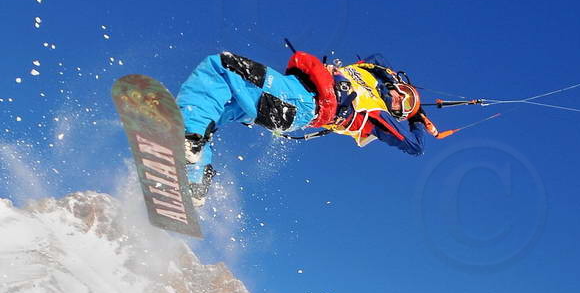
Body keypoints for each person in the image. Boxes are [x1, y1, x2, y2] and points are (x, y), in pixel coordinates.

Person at [176, 50, 438, 205]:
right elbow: (376, 59)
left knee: (221, 65)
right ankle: (195, 178)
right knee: (223, 106)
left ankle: (188, 139)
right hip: (291, 102)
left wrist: (418, 117)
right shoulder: (367, 74)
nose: (399, 100)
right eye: (403, 93)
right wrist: (390, 76)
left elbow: (415, 147)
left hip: (300, 101)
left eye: (403, 107)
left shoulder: (376, 112)